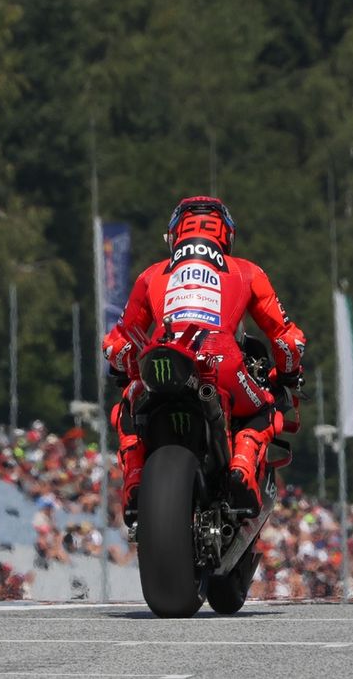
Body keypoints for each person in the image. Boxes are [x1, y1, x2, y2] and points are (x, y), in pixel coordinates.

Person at [102, 196, 306, 525]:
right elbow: (287, 338)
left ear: (174, 236)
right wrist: (289, 372)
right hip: (222, 364)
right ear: (226, 236)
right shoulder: (247, 271)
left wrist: (123, 370)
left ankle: (135, 481)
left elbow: (118, 341)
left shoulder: (151, 274)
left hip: (160, 362)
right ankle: (241, 466)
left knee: (127, 410)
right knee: (264, 409)